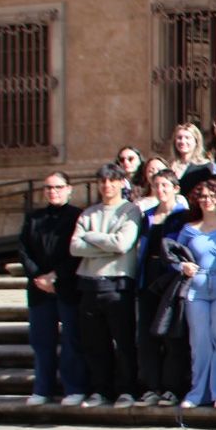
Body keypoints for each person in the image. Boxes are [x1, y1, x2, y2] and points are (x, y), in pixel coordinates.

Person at [70, 164, 144, 408]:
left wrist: (90, 237)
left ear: (122, 182)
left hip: (117, 283)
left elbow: (122, 244)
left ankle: (127, 390)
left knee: (123, 341)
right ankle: (100, 390)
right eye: (102, 181)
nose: (106, 185)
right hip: (89, 284)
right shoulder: (88, 212)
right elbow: (74, 247)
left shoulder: (130, 211)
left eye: (112, 181)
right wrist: (106, 244)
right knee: (95, 343)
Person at [170, 179, 216, 409]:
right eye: (202, 196)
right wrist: (182, 267)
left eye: (211, 196)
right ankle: (197, 392)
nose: (207, 200)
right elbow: (173, 255)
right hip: (196, 288)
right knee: (199, 341)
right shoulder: (190, 228)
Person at [20, 171, 87, 406]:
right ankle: (42, 389)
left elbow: (77, 252)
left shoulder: (78, 216)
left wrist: (56, 277)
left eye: (58, 187)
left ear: (69, 189)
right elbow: (24, 250)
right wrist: (39, 276)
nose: (53, 191)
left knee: (72, 340)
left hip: (67, 287)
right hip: (39, 289)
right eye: (48, 188)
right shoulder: (34, 218)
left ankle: (74, 388)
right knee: (41, 341)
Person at [135, 169, 189, 407]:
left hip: (171, 279)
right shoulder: (146, 215)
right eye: (157, 185)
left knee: (171, 334)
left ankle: (172, 387)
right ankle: (151, 386)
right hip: (148, 276)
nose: (161, 190)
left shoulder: (184, 217)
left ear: (176, 188)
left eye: (166, 185)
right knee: (147, 335)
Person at [166, 123, 215, 194]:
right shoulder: (169, 165)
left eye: (187, 138)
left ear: (196, 142)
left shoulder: (205, 167)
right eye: (179, 138)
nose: (183, 141)